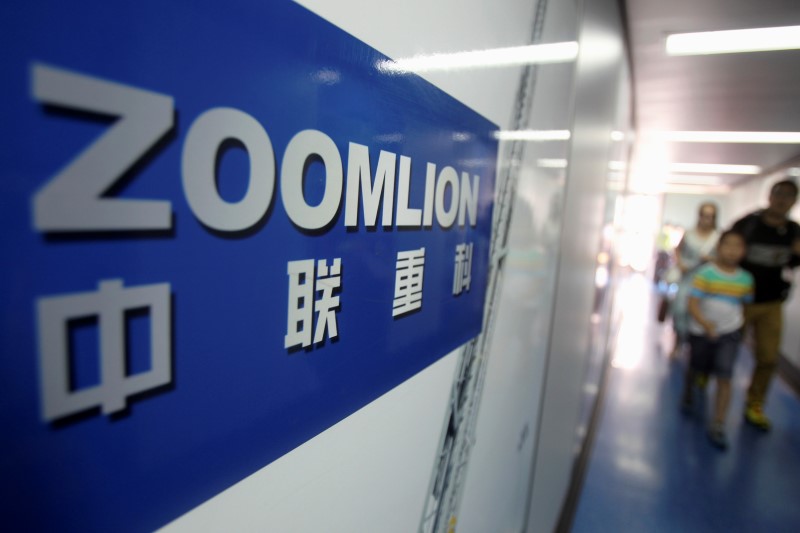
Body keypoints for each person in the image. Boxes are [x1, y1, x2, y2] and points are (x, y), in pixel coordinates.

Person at [731, 179, 800, 431]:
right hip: (740, 299)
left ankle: (755, 404)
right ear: (769, 196)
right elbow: (727, 251)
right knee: (725, 349)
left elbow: (792, 265)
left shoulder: (794, 231)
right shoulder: (748, 224)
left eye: (789, 196)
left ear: (794, 201)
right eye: (778, 194)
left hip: (772, 302)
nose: (782, 200)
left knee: (769, 357)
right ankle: (711, 382)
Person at [680, 230, 753, 449]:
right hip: (701, 331)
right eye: (727, 245)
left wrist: (739, 330)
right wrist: (705, 324)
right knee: (696, 366)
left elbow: (746, 306)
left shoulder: (746, 279)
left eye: (737, 246)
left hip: (729, 333)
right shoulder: (705, 274)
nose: (731, 251)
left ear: (744, 251)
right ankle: (688, 391)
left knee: (725, 375)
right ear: (718, 248)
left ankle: (719, 423)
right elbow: (693, 304)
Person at [670, 203, 720, 358]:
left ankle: (694, 347)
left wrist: (709, 259)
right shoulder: (689, 233)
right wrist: (680, 263)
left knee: (700, 314)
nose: (707, 219)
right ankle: (678, 343)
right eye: (704, 215)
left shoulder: (717, 237)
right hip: (688, 278)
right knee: (680, 310)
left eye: (710, 216)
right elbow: (677, 249)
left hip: (707, 280)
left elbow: (722, 258)